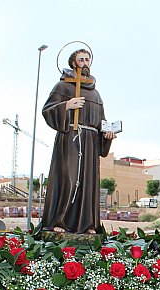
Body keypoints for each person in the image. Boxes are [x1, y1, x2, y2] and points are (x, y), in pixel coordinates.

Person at [41, 48, 116, 234]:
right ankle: (60, 220)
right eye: (81, 60)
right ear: (73, 63)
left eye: (87, 60)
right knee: (69, 178)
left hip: (90, 142)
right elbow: (47, 110)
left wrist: (108, 134)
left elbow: (102, 122)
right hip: (70, 139)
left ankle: (87, 223)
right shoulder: (62, 87)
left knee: (88, 182)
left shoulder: (96, 94)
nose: (85, 63)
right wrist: (67, 105)